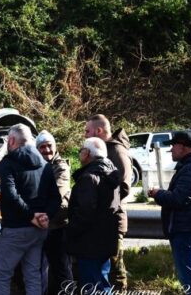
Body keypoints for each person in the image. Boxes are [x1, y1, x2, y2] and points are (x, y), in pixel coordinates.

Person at [148, 131, 191, 295]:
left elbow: (178, 199)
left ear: (183, 146)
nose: (171, 149)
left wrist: (158, 193)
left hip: (186, 232)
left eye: (173, 145)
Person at [0, 123, 59, 295]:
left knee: (2, 275)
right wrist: (46, 216)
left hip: (15, 228)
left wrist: (31, 215)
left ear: (12, 140)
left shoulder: (8, 162)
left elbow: (10, 194)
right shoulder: (44, 163)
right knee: (32, 274)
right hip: (38, 229)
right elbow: (56, 197)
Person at [66, 137, 120, 294]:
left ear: (87, 153)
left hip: (89, 243)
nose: (80, 154)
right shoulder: (111, 174)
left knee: (91, 286)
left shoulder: (89, 177)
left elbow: (85, 212)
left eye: (81, 150)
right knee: (103, 282)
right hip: (106, 240)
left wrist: (70, 231)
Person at [84, 114, 131, 289]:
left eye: (87, 131)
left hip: (113, 220)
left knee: (115, 271)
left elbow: (123, 188)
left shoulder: (117, 152)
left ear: (99, 130)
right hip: (102, 220)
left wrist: (100, 201)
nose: (85, 135)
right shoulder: (105, 150)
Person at [36, 130, 73, 294]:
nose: (46, 150)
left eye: (49, 145)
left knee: (62, 268)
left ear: (55, 146)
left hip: (58, 224)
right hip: (41, 225)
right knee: (42, 269)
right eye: (42, 147)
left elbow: (57, 194)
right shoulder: (38, 165)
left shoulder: (61, 166)